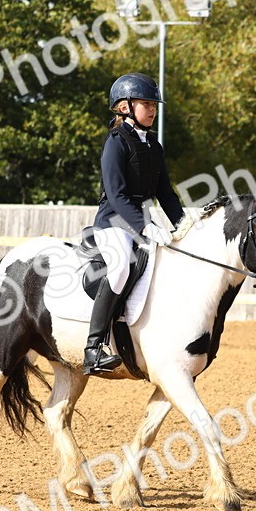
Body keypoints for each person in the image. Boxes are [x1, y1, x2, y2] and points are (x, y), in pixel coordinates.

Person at [83, 72, 186, 374]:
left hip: (143, 223)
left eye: (154, 104)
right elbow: (115, 195)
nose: (153, 109)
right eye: (146, 103)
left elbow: (165, 192)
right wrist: (144, 226)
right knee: (120, 269)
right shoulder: (116, 142)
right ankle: (93, 348)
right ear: (125, 107)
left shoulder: (154, 145)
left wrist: (182, 224)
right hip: (114, 223)